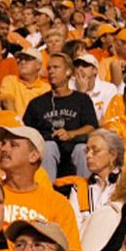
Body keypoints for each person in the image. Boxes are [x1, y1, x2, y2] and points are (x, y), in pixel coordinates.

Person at [0, 123, 83, 251]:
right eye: (3, 143)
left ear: (34, 156)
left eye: (13, 145)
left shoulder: (58, 204)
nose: (4, 149)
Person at [23, 52, 98, 180]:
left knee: (82, 150)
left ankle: (85, 193)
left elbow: (91, 127)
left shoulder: (81, 99)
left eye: (56, 67)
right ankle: (46, 194)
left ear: (68, 72)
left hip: (75, 147)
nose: (51, 71)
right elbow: (27, 132)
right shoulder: (37, 103)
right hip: (48, 149)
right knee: (48, 147)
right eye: (49, 68)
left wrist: (71, 134)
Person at [0, 47, 50, 116]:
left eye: (27, 59)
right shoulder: (10, 80)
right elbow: (7, 101)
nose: (22, 62)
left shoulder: (46, 88)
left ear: (38, 65)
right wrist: (17, 121)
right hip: (15, 123)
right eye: (20, 59)